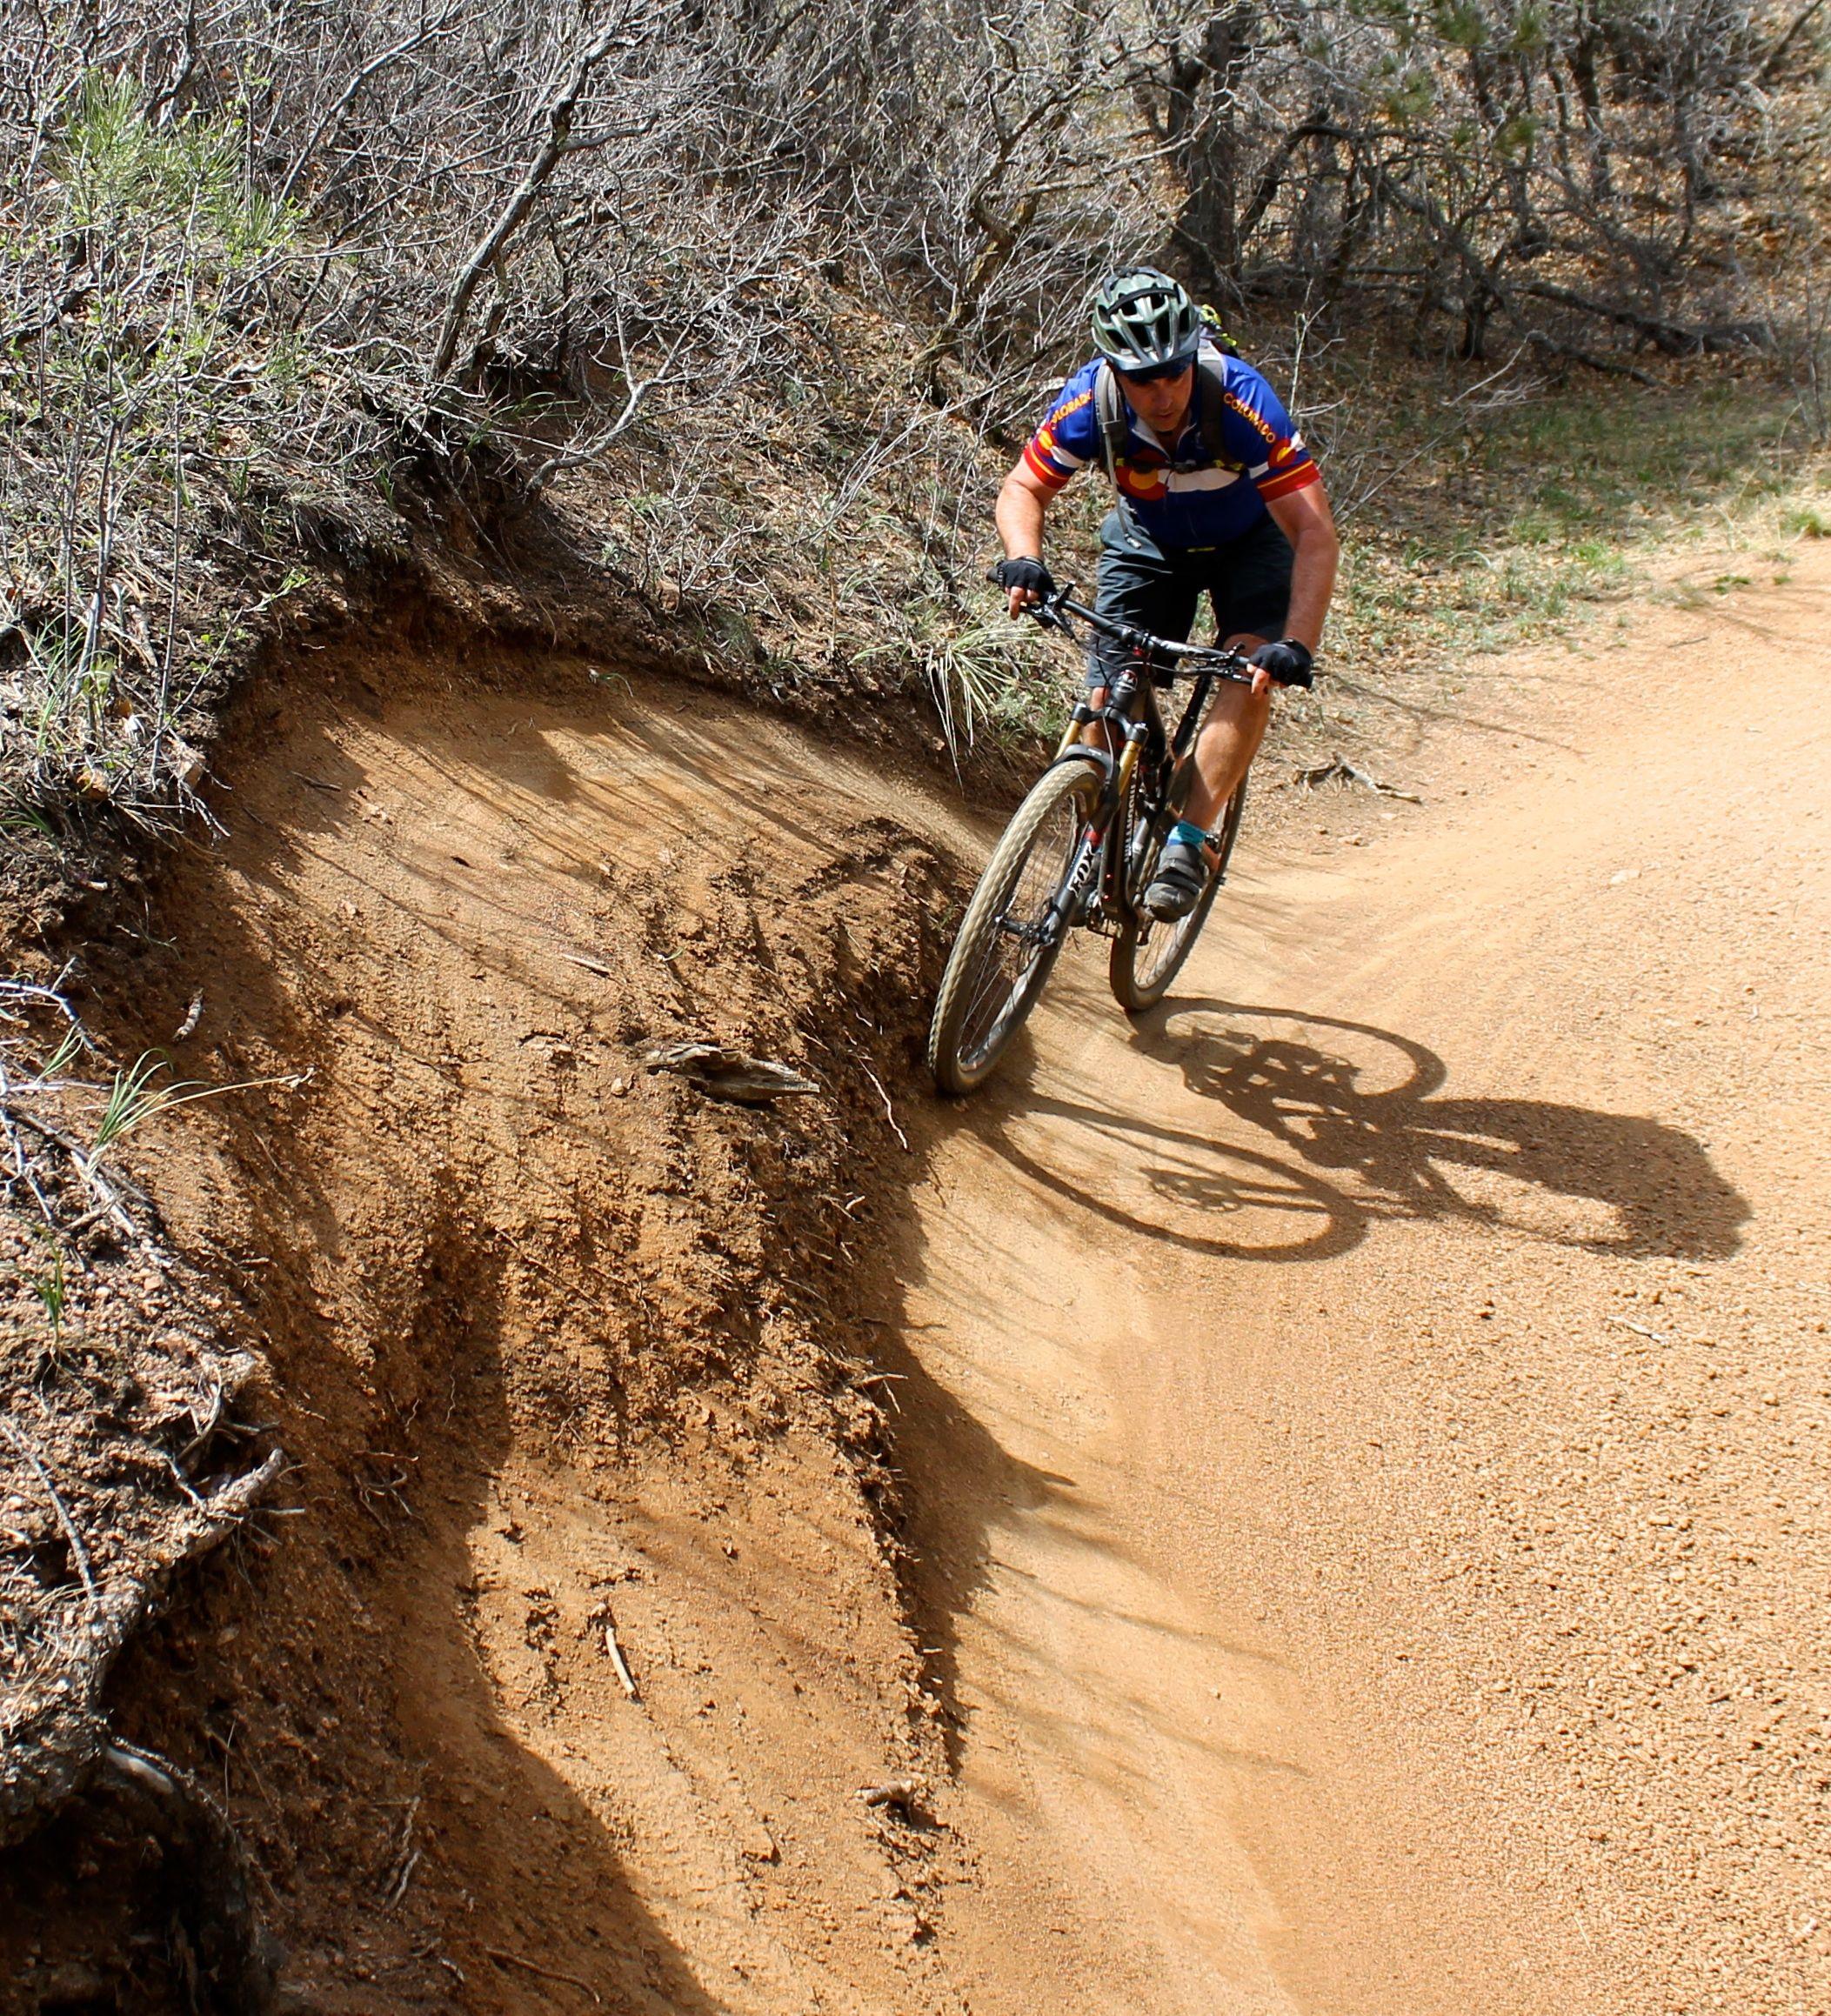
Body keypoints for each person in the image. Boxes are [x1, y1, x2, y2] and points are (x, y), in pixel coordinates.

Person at [993, 266, 1340, 920]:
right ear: (1112, 370)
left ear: (1192, 357)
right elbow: (1023, 489)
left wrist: (1295, 644)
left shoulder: (1240, 400)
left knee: (1249, 666)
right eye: (1141, 378)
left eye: (1174, 372)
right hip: (1147, 542)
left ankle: (1188, 837)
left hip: (1250, 544)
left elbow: (1313, 533)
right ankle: (1094, 836)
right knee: (1106, 694)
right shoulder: (1086, 402)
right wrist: (1024, 561)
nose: (1162, 392)